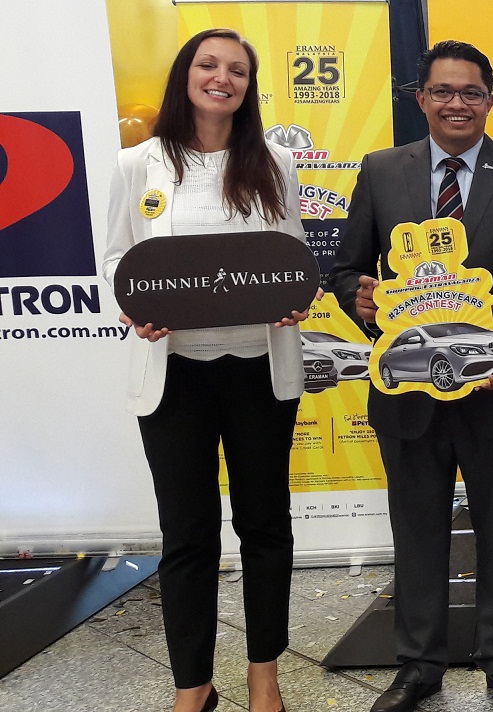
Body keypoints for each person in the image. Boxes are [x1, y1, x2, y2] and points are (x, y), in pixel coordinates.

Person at [329, 40, 493, 712]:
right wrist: (359, 299)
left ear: (490, 100)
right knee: (417, 534)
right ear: (421, 99)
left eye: (470, 92)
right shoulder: (381, 170)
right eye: (443, 91)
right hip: (408, 390)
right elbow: (345, 268)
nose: (456, 103)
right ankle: (419, 665)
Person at [101, 28, 310, 712]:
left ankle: (264, 676)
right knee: (187, 534)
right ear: (185, 75)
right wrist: (135, 308)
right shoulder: (138, 164)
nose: (222, 78)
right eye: (208, 65)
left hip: (259, 369)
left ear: (249, 87)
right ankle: (192, 686)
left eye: (237, 71)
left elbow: (292, 253)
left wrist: (295, 296)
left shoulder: (275, 161)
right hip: (175, 375)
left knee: (265, 526)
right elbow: (116, 258)